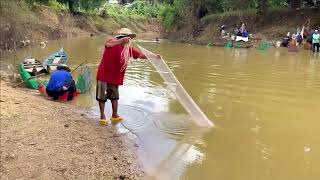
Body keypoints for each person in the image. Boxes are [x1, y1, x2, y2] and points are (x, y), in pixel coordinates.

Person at [96, 28, 160, 125]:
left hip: (115, 77)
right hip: (103, 75)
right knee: (101, 97)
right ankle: (102, 116)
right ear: (123, 37)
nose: (129, 40)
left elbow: (140, 55)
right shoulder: (112, 42)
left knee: (115, 97)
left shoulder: (128, 49)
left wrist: (154, 56)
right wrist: (121, 40)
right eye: (128, 38)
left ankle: (114, 115)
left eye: (130, 38)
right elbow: (107, 45)